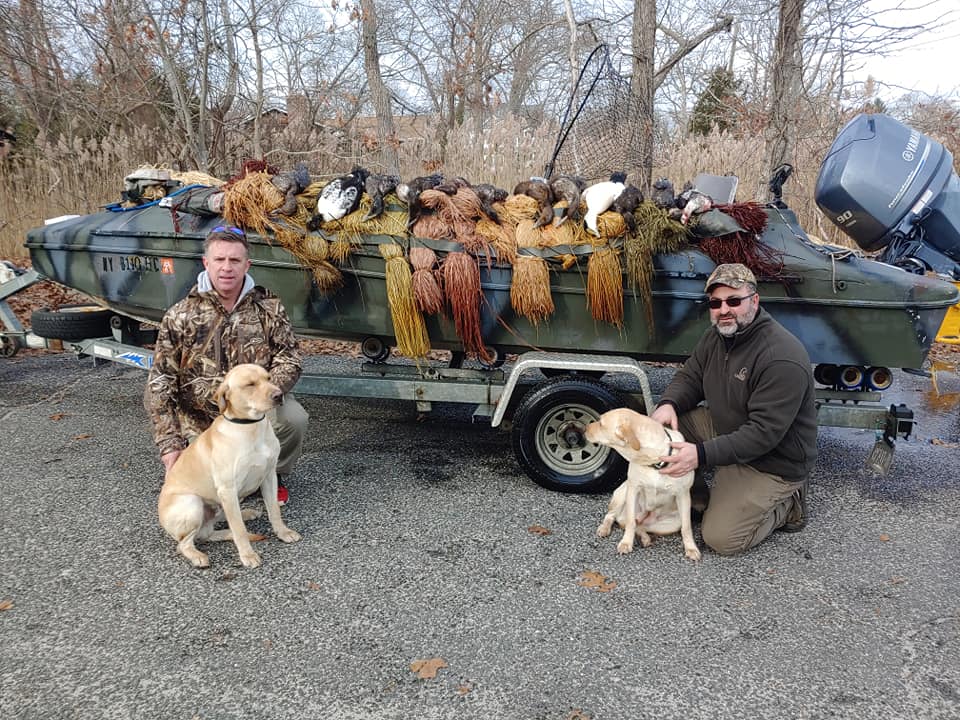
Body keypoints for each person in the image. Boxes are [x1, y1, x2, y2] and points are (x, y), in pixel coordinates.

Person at [649, 263, 818, 555]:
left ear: (754, 300)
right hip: (729, 428)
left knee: (721, 539)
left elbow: (763, 434)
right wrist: (668, 403)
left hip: (771, 461)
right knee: (664, 431)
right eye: (716, 303)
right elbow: (691, 376)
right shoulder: (717, 337)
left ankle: (789, 504)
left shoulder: (780, 357)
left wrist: (701, 454)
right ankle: (699, 497)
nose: (724, 309)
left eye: (733, 301)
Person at [146, 225, 308, 505]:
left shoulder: (268, 307)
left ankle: (271, 474)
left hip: (253, 410)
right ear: (206, 263)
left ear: (247, 264)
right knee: (206, 493)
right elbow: (160, 381)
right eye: (219, 260)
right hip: (201, 419)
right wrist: (170, 445)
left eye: (235, 260)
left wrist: (263, 395)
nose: (227, 268)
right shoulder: (181, 315)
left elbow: (289, 357)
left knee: (294, 419)